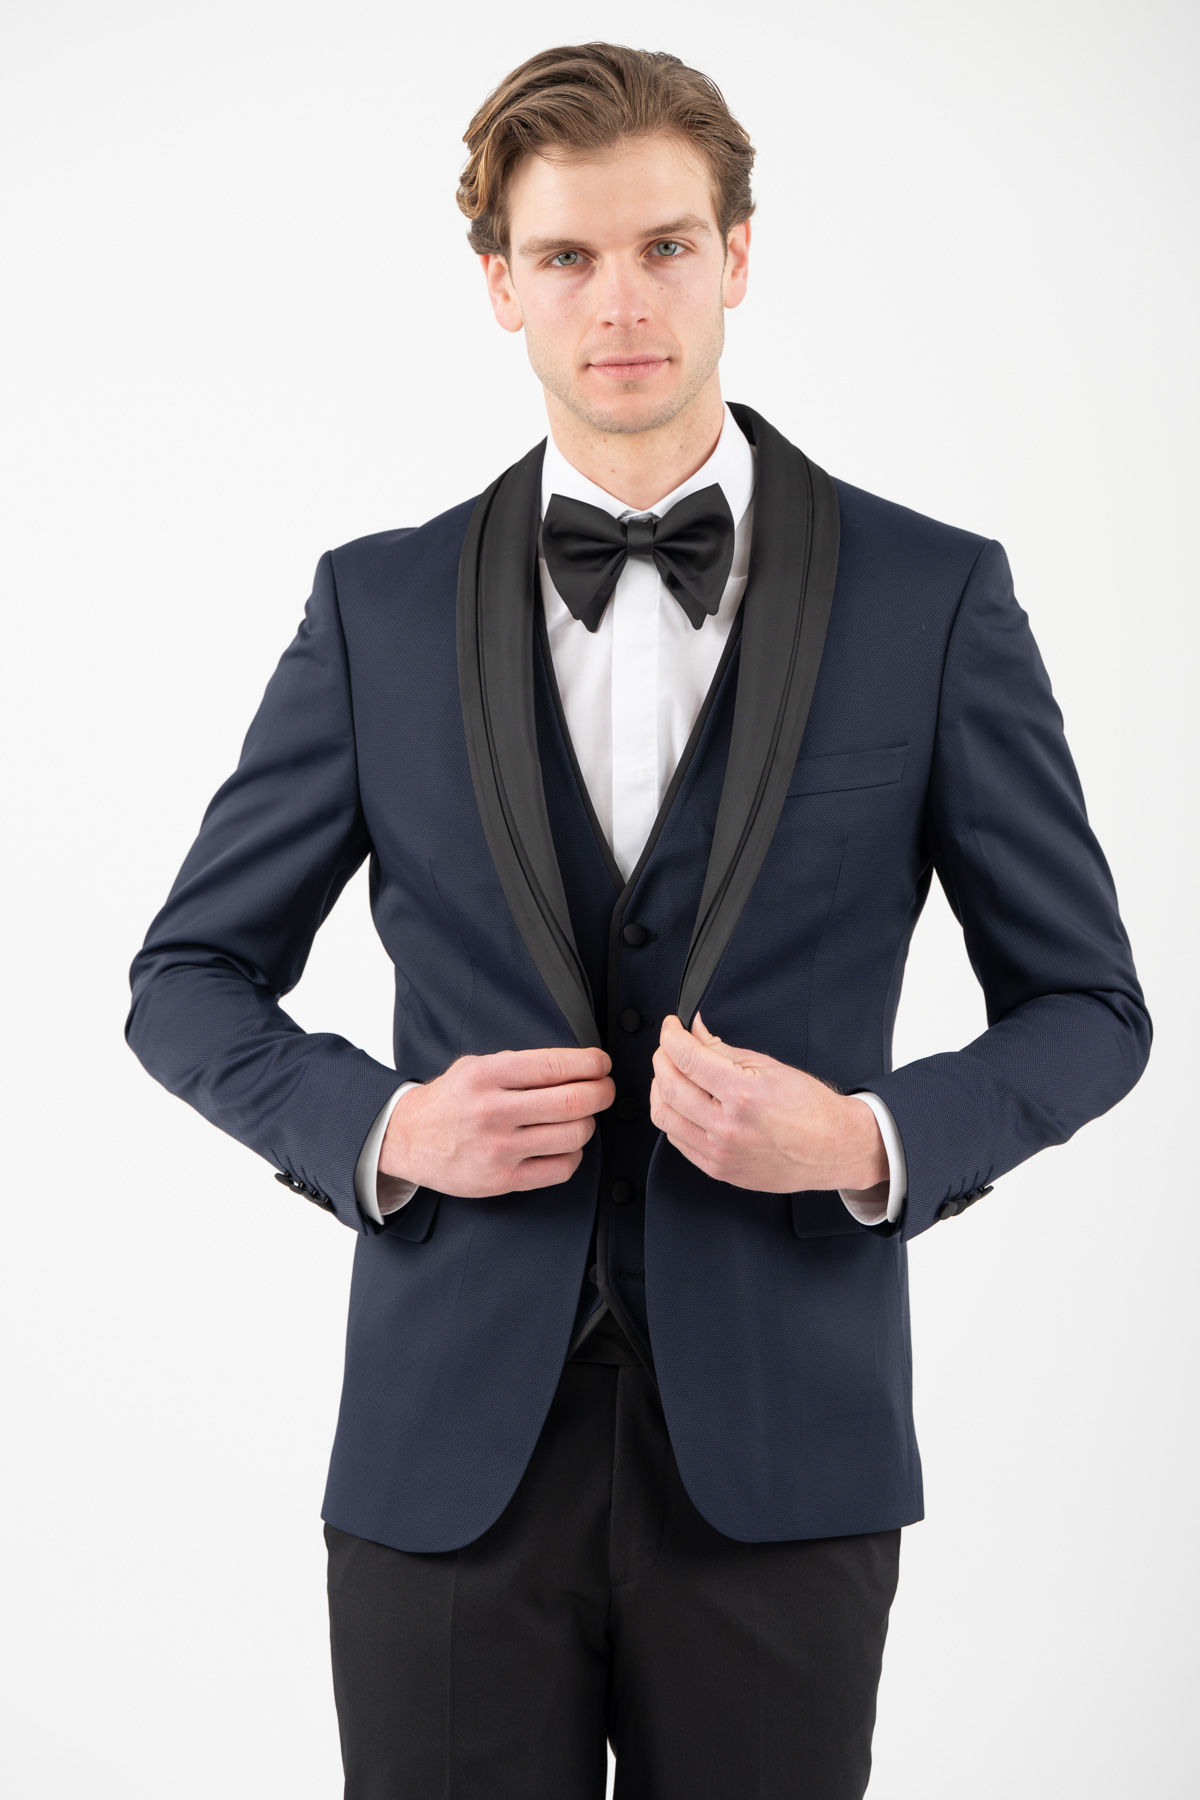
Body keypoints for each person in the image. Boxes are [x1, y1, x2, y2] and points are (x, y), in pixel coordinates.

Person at [126, 41, 1150, 1800]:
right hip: (448, 1460)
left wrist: (871, 1139)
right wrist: (384, 1128)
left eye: (667, 246)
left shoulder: (931, 596)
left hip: (787, 1456)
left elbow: (1089, 1007)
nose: (621, 302)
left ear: (737, 255)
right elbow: (186, 979)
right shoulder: (376, 609)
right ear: (500, 285)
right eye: (568, 257)